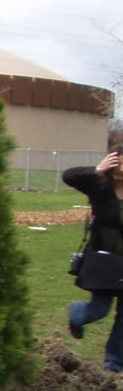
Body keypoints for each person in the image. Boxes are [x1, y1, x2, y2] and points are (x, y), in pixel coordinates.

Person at [64, 121, 123, 372]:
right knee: (98, 310)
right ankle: (76, 315)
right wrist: (97, 170)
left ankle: (114, 363)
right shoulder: (99, 188)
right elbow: (69, 176)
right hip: (106, 261)